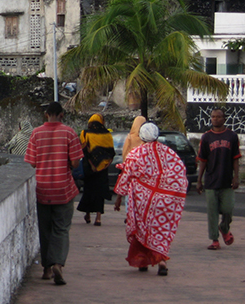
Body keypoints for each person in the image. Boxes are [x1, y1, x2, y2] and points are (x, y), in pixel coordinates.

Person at [114, 122, 187, 276]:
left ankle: (143, 260)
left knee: (143, 228)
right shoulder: (170, 153)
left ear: (141, 136)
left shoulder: (136, 154)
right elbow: (180, 172)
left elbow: (126, 176)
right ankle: (161, 261)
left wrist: (119, 197)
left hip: (143, 201)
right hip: (165, 201)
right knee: (160, 229)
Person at [24, 101, 83, 286]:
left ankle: (47, 269)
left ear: (46, 114)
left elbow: (32, 162)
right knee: (61, 228)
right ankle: (58, 263)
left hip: (42, 188)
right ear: (62, 115)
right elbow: (75, 163)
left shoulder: (36, 133)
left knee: (45, 229)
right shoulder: (70, 133)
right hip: (63, 189)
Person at [197, 107, 240, 250]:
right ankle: (214, 239)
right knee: (212, 213)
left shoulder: (232, 136)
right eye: (213, 116)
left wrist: (236, 177)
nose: (215, 119)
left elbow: (235, 159)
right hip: (210, 181)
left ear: (224, 119)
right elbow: (202, 160)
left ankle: (224, 227)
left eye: (218, 116)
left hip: (226, 180)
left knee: (228, 208)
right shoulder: (206, 137)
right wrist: (199, 180)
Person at [77, 114, 115, 226]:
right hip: (103, 169)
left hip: (89, 168)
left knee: (89, 190)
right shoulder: (108, 134)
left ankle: (88, 215)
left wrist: (91, 164)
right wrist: (105, 164)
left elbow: (83, 149)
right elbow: (111, 152)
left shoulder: (85, 133)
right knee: (100, 193)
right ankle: (98, 218)